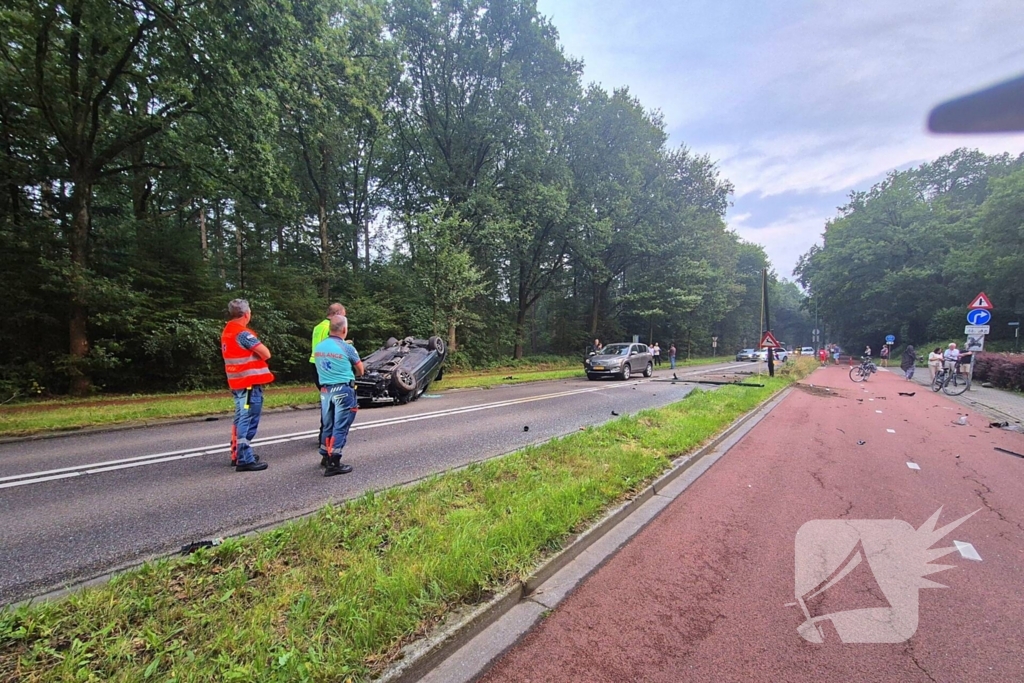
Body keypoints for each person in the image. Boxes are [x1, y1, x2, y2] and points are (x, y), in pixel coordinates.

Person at [221, 299, 274, 472]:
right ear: (247, 314)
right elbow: (266, 353)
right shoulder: (243, 334)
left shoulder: (227, 331)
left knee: (240, 417)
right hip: (249, 383)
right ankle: (244, 458)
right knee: (248, 418)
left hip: (237, 382)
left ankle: (237, 453)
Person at [313, 315, 365, 477]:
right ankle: (334, 463)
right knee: (340, 426)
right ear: (344, 329)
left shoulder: (319, 347)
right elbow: (360, 370)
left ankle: (325, 455)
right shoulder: (346, 347)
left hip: (325, 391)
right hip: (343, 389)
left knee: (327, 424)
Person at [311, 302, 346, 455]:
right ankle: (327, 438)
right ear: (337, 314)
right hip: (326, 367)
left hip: (315, 364)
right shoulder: (329, 328)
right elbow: (333, 348)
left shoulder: (318, 326)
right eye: (343, 315)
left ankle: (324, 435)